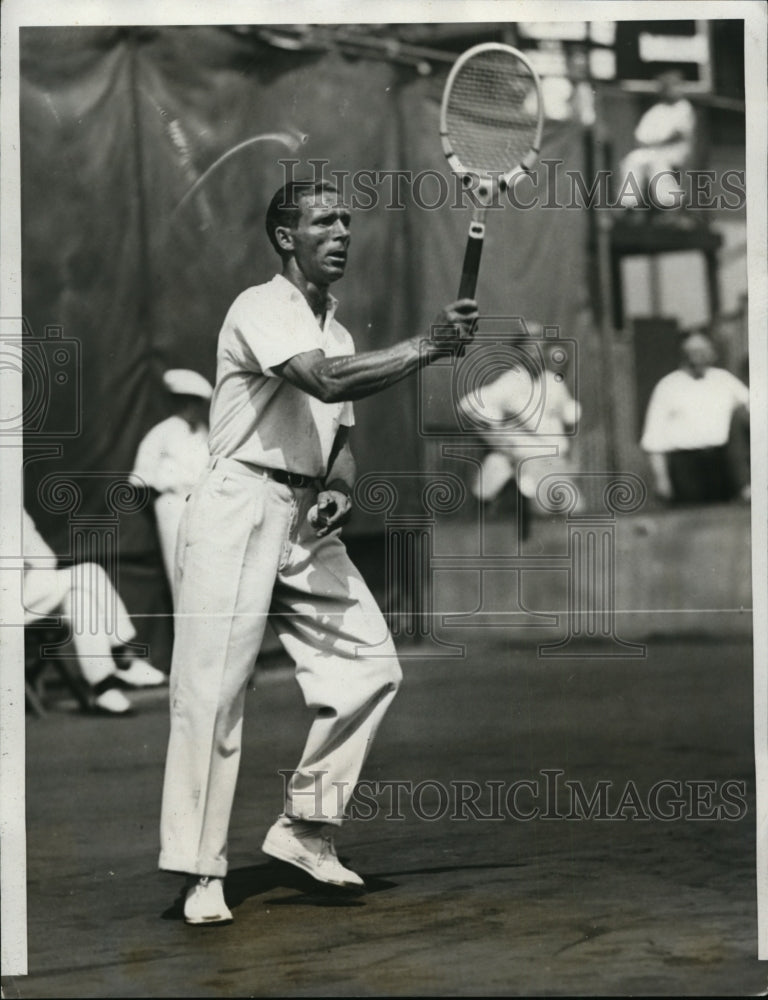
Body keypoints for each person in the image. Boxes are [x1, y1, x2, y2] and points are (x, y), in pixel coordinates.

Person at [159, 179, 478, 925]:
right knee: (213, 690)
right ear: (284, 237)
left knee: (370, 665)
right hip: (237, 503)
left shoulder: (338, 330)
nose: (341, 232)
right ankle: (200, 871)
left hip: (303, 516)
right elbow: (325, 381)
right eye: (323, 221)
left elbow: (341, 434)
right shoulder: (260, 307)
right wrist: (430, 344)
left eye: (347, 221)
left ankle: (305, 828)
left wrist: (337, 482)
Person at [23, 508, 166, 715]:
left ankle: (103, 687)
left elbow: (46, 559)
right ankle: (123, 656)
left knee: (79, 598)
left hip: (27, 593)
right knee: (90, 573)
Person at [459, 333, 581, 534]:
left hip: (556, 463)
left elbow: (571, 416)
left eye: (539, 348)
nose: (536, 354)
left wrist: (572, 457)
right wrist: (502, 440)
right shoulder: (509, 383)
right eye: (530, 349)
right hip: (528, 462)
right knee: (540, 521)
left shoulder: (552, 382)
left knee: (575, 512)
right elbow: (468, 405)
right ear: (520, 353)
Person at [130, 369, 213, 603]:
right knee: (178, 571)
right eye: (187, 402)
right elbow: (139, 482)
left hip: (201, 507)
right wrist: (160, 508)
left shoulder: (204, 433)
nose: (192, 408)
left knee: (204, 572)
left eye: (197, 403)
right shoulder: (162, 432)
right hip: (172, 505)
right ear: (178, 402)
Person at [641, 330, 750, 504]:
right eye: (692, 351)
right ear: (682, 354)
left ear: (712, 353)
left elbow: (752, 410)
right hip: (685, 467)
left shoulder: (725, 380)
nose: (698, 356)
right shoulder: (668, 386)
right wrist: (661, 480)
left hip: (721, 463)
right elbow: (654, 441)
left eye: (703, 350)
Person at [618, 70, 697, 211]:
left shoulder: (684, 107)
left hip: (676, 151)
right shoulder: (656, 110)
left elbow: (678, 135)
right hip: (653, 150)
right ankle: (629, 202)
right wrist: (650, 144)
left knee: (657, 161)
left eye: (677, 86)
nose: (674, 90)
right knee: (633, 159)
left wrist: (654, 144)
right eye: (670, 86)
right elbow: (640, 136)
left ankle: (670, 201)